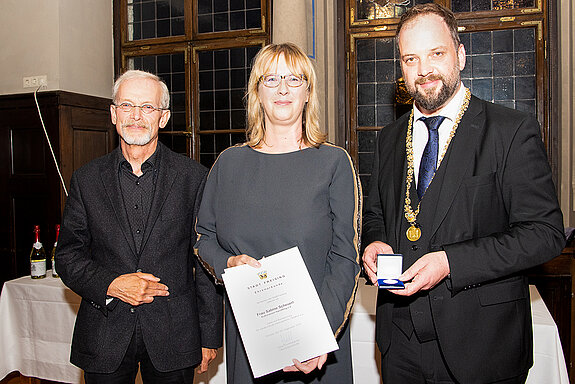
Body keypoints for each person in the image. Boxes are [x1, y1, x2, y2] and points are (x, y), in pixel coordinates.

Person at [362, 4, 565, 384]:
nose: (423, 70)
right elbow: (377, 214)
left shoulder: (511, 131)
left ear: (460, 54)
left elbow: (544, 234)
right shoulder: (389, 139)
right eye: (410, 59)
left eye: (435, 53)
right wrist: (373, 243)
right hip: (400, 346)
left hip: (483, 345)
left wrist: (450, 263)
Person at [195, 43, 361, 384]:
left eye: (294, 79)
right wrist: (228, 263)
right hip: (250, 342)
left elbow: (346, 257)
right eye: (271, 79)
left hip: (316, 347)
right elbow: (203, 239)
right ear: (257, 91)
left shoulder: (333, 162)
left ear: (307, 92)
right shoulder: (228, 164)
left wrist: (318, 335)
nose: (283, 88)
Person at [55, 70, 223, 383]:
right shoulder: (86, 180)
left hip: (175, 335)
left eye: (148, 107)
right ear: (113, 114)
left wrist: (209, 335)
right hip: (105, 333)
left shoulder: (195, 178)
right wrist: (111, 284)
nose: (136, 116)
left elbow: (206, 260)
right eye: (127, 106)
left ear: (163, 118)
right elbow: (67, 256)